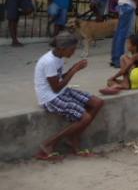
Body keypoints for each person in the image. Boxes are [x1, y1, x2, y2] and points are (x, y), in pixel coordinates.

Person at [34, 32, 104, 161]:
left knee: (97, 102)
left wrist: (72, 68)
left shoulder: (58, 57)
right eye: (72, 49)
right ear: (62, 48)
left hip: (61, 91)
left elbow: (60, 78)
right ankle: (49, 144)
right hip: (50, 98)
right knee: (85, 117)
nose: (73, 52)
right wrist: (74, 70)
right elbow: (56, 87)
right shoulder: (49, 61)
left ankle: (74, 137)